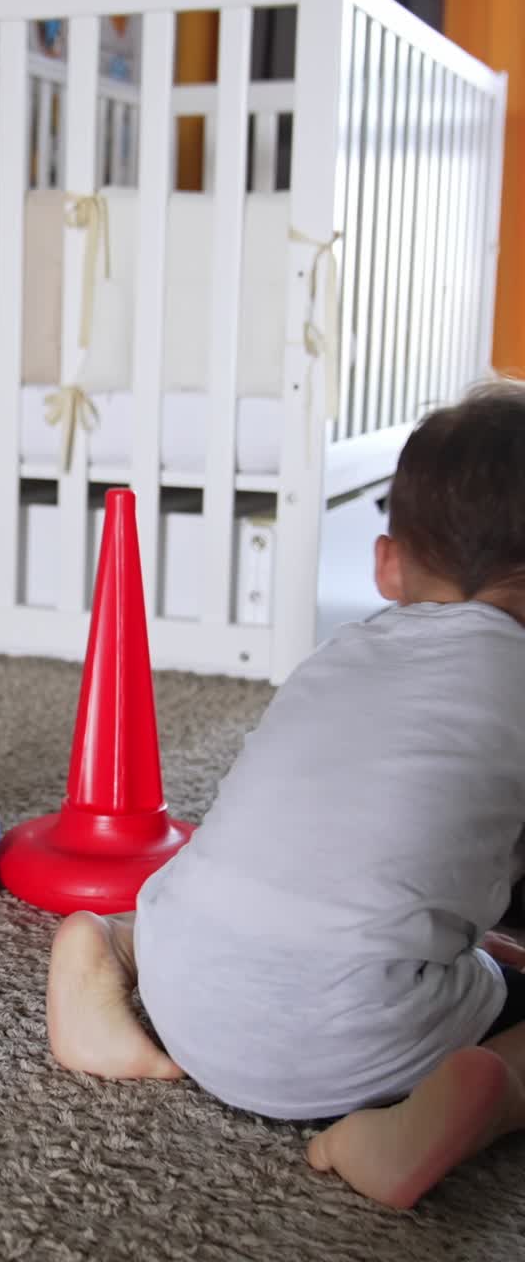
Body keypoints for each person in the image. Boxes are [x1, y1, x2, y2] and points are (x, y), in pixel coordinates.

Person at [46, 381, 525, 1210]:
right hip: (360, 1043)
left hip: (180, 983)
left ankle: (95, 949)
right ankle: (455, 1107)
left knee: (236, 893)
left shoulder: (335, 657)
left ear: (386, 564)